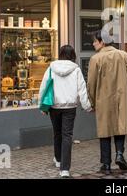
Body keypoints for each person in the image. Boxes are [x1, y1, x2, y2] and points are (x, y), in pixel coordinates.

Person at [87, 31, 127, 175]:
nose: (93, 43)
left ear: (102, 42)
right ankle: (119, 154)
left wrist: (91, 101)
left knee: (104, 131)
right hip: (121, 98)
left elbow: (91, 84)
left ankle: (106, 164)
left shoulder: (95, 59)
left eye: (95, 41)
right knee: (120, 127)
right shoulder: (123, 55)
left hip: (103, 99)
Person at [39, 45, 92, 179]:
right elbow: (82, 89)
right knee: (67, 136)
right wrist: (87, 106)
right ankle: (64, 169)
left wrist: (43, 107)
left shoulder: (51, 67)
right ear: (72, 55)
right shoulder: (76, 70)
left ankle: (58, 159)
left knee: (57, 133)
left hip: (54, 107)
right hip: (70, 107)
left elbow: (44, 87)